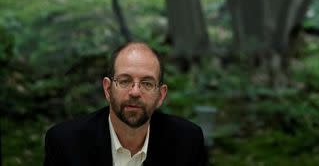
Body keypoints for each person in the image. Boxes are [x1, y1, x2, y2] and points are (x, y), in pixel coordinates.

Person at [44, 42, 206, 166]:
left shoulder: (188, 141)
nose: (135, 92)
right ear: (108, 89)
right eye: (125, 81)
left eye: (147, 83)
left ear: (161, 96)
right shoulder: (65, 142)